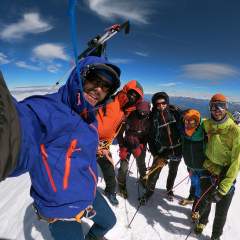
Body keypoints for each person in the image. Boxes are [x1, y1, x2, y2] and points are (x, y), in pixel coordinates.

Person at [0, 56, 121, 240]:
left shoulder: (89, 115)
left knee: (109, 222)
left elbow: (74, 147)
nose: (99, 90)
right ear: (80, 76)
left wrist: (98, 149)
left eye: (106, 87)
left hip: (87, 192)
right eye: (95, 80)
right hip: (59, 207)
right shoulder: (47, 109)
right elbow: (21, 131)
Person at [194, 93, 240, 240]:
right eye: (213, 106)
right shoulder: (207, 124)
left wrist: (223, 189)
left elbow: (236, 163)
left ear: (226, 107)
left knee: (221, 212)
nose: (216, 110)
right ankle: (203, 221)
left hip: (225, 175)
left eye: (220, 106)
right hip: (208, 170)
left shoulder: (236, 132)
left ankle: (215, 236)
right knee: (206, 202)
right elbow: (194, 127)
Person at [96, 80, 144, 205]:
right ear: (126, 90)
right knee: (82, 170)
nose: (133, 97)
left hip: (103, 145)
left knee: (110, 171)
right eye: (132, 93)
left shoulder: (126, 111)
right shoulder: (109, 101)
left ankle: (110, 191)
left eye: (136, 96)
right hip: (88, 141)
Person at [139, 92, 183, 204]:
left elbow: (186, 120)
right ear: (155, 105)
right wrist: (156, 155)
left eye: (163, 103)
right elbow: (150, 138)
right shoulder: (153, 118)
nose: (161, 106)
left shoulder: (175, 113)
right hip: (162, 151)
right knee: (154, 174)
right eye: (158, 104)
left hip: (177, 149)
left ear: (167, 102)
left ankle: (169, 190)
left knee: (173, 171)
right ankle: (148, 192)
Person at [117, 100, 151, 198]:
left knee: (141, 165)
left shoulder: (149, 120)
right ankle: (121, 185)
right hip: (127, 144)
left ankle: (143, 178)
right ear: (137, 109)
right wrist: (121, 145)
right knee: (123, 168)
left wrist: (141, 146)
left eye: (145, 112)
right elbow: (120, 132)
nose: (142, 113)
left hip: (139, 145)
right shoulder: (130, 116)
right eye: (140, 111)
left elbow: (147, 136)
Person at [179, 109, 207, 220]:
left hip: (202, 167)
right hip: (190, 165)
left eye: (193, 121)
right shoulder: (184, 132)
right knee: (194, 183)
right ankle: (191, 198)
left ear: (198, 121)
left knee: (199, 189)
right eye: (187, 121)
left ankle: (195, 210)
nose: (189, 123)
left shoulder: (204, 132)